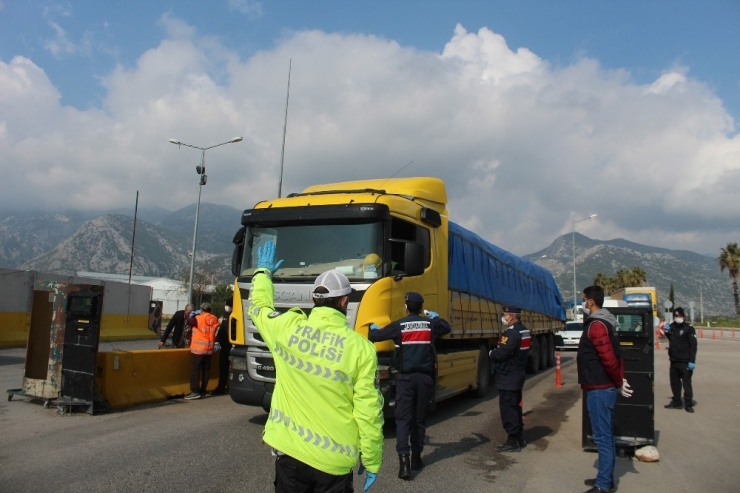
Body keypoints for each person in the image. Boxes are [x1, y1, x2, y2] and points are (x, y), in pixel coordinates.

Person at [248, 241, 384, 493]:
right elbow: (369, 411)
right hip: (335, 465)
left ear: (314, 298)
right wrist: (372, 457)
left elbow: (258, 308)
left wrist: (262, 273)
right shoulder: (361, 349)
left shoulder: (286, 329)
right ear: (344, 301)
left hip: (291, 455)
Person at [368, 292, 451, 480]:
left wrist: (373, 328)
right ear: (421, 308)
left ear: (406, 307)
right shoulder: (430, 326)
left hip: (405, 380)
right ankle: (416, 458)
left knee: (403, 420)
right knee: (419, 419)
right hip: (424, 380)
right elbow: (446, 327)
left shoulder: (400, 325)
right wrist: (435, 317)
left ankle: (403, 464)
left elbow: (375, 336)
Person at [577, 285, 633, 493]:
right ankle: (605, 478)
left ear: (591, 301)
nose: (583, 303)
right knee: (604, 435)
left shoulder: (597, 325)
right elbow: (616, 356)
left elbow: (609, 358)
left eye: (584, 299)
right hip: (600, 385)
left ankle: (603, 485)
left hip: (600, 388)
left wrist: (618, 381)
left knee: (602, 436)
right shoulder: (605, 321)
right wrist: (619, 379)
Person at [489, 305, 531, 453]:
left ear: (511, 317)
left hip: (508, 375)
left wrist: (491, 353)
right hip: (518, 373)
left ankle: (512, 440)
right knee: (516, 406)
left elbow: (502, 353)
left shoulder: (512, 333)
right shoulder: (524, 330)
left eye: (505, 315)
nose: (504, 318)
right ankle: (519, 438)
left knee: (508, 408)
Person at [664, 307, 697, 413]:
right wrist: (667, 332)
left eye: (680, 316)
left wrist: (692, 360)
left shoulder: (689, 328)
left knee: (686, 383)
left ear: (683, 316)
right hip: (674, 360)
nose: (678, 318)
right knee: (675, 383)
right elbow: (671, 339)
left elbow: (693, 346)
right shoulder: (672, 327)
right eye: (676, 316)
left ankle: (688, 404)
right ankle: (676, 401)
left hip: (685, 361)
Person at [184, 302, 220, 400]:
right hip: (209, 349)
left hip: (199, 349)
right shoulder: (214, 319)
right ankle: (203, 390)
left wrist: (188, 314)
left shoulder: (198, 318)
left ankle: (195, 391)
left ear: (201, 310)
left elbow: (189, 321)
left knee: (195, 369)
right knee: (206, 370)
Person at [213, 298, 233, 395]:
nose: (226, 307)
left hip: (231, 346)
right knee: (223, 368)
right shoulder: (226, 316)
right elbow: (222, 330)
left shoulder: (235, 316)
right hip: (224, 346)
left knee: (229, 369)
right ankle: (221, 387)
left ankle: (228, 387)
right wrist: (217, 341)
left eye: (227, 305)